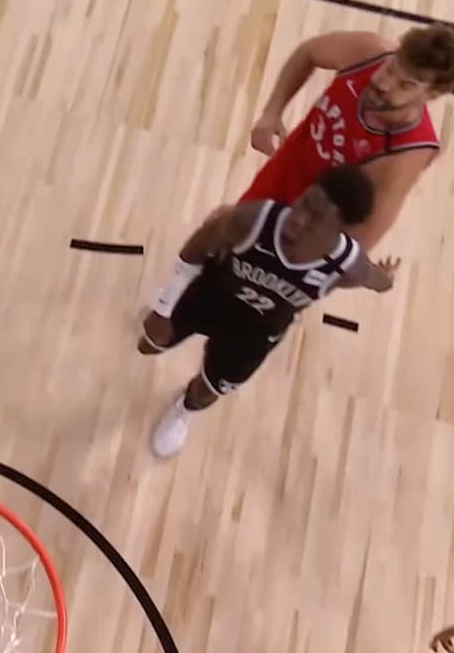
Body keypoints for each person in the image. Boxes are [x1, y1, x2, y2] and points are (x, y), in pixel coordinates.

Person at [140, 164, 399, 458]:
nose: (298, 218)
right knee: (148, 344)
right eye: (304, 202)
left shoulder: (347, 268)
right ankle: (165, 304)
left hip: (256, 332)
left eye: (316, 218)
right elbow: (196, 248)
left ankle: (184, 410)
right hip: (212, 294)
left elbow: (375, 279)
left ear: (340, 231)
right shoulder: (253, 220)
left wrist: (386, 280)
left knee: (208, 390)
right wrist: (164, 308)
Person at [243, 23, 454, 250]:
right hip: (278, 178)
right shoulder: (367, 52)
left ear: (431, 94)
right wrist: (272, 112)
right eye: (391, 68)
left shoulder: (407, 154)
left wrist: (297, 261)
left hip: (308, 227)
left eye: (405, 85)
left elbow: (360, 241)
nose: (384, 83)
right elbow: (308, 52)